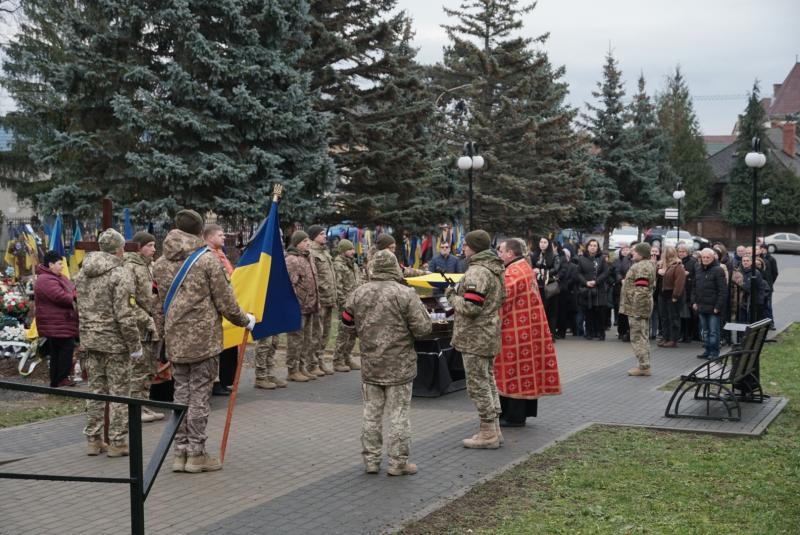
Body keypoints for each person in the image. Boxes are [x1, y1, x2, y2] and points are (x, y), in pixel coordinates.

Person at [153, 210, 255, 473]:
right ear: (199, 232)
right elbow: (226, 301)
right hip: (203, 339)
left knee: (181, 394)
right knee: (200, 395)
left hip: (176, 338)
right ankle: (196, 454)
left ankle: (179, 453)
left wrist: (162, 336)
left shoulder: (161, 262)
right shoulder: (206, 260)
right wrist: (246, 320)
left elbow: (159, 304)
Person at [342, 249, 431, 476]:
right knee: (398, 414)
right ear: (394, 267)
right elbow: (423, 328)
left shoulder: (358, 293)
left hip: (371, 364)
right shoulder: (405, 294)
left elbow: (346, 323)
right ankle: (398, 463)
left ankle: (371, 461)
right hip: (400, 365)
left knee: (371, 414)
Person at [75, 229, 142, 457]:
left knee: (95, 391)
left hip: (90, 340)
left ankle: (93, 440)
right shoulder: (120, 274)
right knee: (119, 394)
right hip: (115, 343)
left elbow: (80, 307)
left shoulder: (83, 273)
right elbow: (125, 315)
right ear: (118, 248)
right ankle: (117, 442)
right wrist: (135, 345)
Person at [446, 229, 505, 449]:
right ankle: (494, 429)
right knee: (488, 380)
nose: (463, 248)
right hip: (488, 333)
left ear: (474, 247)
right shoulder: (495, 267)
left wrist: (452, 297)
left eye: (466, 245)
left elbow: (471, 307)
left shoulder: (477, 272)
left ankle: (487, 432)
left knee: (478, 385)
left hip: (475, 336)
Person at [494, 239, 562, 427]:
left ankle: (514, 416)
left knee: (513, 372)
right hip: (524, 329)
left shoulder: (514, 271)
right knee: (521, 372)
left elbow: (501, 298)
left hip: (516, 331)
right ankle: (513, 414)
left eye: (501, 250)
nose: (498, 254)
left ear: (510, 253)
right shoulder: (523, 267)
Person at [124, 231, 164, 422]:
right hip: (139, 327)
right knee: (138, 370)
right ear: (138, 247)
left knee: (149, 368)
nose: (154, 249)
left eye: (154, 245)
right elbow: (128, 302)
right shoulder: (131, 267)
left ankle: (144, 405)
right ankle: (135, 408)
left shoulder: (150, 266)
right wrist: (145, 319)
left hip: (152, 325)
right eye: (150, 245)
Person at [34, 250, 79, 388]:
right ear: (51, 264)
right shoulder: (45, 279)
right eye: (60, 264)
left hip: (62, 323)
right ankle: (60, 379)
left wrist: (74, 293)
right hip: (56, 323)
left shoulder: (59, 277)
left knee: (60, 351)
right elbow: (60, 297)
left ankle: (58, 379)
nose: (62, 266)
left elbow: (72, 289)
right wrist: (74, 296)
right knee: (64, 350)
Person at [203, 224, 238, 396]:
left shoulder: (221, 255)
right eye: (220, 234)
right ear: (210, 237)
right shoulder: (207, 257)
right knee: (217, 348)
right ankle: (215, 382)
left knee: (229, 346)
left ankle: (225, 380)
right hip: (215, 308)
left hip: (226, 306)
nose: (224, 237)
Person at [284, 230, 320, 382]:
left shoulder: (308, 258)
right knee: (296, 339)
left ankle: (302, 366)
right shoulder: (292, 260)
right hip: (299, 305)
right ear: (297, 243)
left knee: (307, 338)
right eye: (305, 241)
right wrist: (294, 303)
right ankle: (292, 369)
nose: (308, 244)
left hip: (310, 305)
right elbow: (290, 284)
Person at [619, 242, 656, 376]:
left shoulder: (642, 267)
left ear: (641, 254)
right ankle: (644, 364)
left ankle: (643, 366)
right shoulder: (644, 265)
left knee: (638, 336)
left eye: (634, 251)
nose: (631, 253)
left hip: (638, 309)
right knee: (641, 335)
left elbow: (642, 290)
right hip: (638, 307)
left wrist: (637, 311)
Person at [307, 225, 336, 376]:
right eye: (322, 234)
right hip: (320, 299)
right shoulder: (311, 253)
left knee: (326, 332)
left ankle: (320, 360)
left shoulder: (325, 252)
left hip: (329, 298)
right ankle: (312, 363)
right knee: (317, 333)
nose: (325, 236)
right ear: (314, 236)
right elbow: (314, 277)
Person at [331, 239, 362, 372]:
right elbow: (338, 287)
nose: (353, 252)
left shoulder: (353, 265)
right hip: (346, 305)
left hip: (356, 304)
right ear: (343, 251)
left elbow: (358, 283)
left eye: (353, 249)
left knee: (353, 332)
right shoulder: (338, 265)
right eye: (350, 249)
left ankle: (347, 357)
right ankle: (338, 360)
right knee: (343, 332)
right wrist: (345, 305)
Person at [692, 248, 728, 360]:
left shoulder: (718, 270)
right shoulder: (698, 269)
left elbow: (723, 291)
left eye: (708, 257)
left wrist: (718, 306)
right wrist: (694, 301)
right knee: (705, 331)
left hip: (713, 308)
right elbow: (694, 287)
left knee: (713, 332)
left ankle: (714, 352)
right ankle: (707, 350)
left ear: (713, 258)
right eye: (703, 257)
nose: (705, 259)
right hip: (701, 306)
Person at [576, 238, 609, 340]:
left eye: (595, 245)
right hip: (587, 289)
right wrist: (586, 282)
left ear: (598, 247)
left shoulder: (602, 258)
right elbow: (578, 273)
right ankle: (589, 333)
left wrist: (596, 281)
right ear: (587, 247)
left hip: (599, 289)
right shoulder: (581, 259)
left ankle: (600, 333)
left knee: (599, 313)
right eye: (591, 245)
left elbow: (606, 272)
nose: (593, 247)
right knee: (588, 312)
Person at [657, 246, 686, 348]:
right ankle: (666, 337)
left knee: (673, 318)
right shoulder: (661, 265)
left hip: (672, 296)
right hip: (662, 295)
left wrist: (675, 296)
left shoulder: (678, 266)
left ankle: (673, 339)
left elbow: (679, 283)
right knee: (664, 318)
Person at [530, 236, 560, 334]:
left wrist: (541, 271)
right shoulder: (535, 255)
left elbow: (555, 269)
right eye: (541, 242)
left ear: (549, 244)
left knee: (551, 311)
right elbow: (532, 267)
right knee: (539, 311)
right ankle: (540, 333)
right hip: (538, 286)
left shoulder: (554, 255)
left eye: (545, 242)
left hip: (550, 286)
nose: (542, 244)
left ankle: (551, 333)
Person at [612, 244, 633, 342]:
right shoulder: (621, 261)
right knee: (621, 311)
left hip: (633, 289)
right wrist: (620, 279)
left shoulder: (635, 261)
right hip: (621, 288)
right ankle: (621, 331)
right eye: (623, 250)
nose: (625, 251)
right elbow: (617, 272)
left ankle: (629, 332)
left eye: (627, 249)